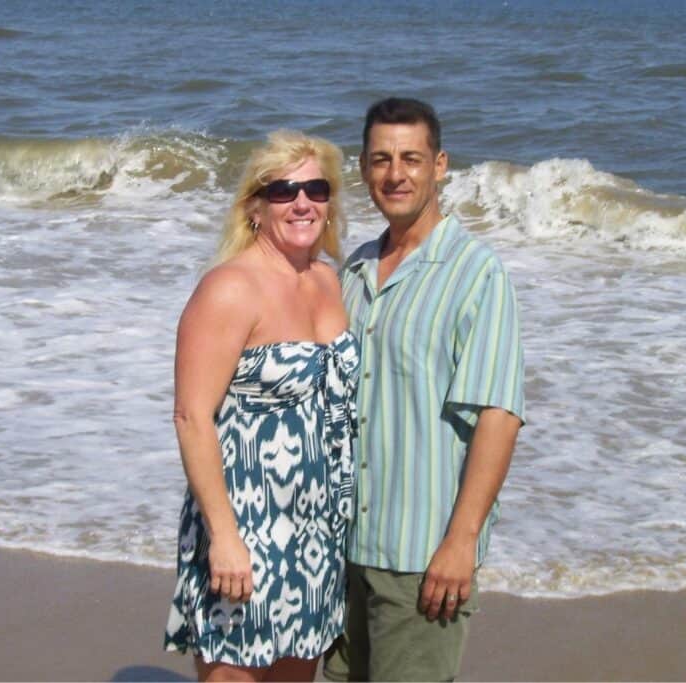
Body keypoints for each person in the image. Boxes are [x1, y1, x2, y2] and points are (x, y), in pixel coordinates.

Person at [323, 98, 526, 682]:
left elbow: (499, 414)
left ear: (439, 165)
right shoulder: (354, 270)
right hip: (341, 552)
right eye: (382, 159)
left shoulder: (475, 273)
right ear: (362, 167)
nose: (396, 173)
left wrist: (460, 544)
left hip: (419, 555)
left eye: (411, 158)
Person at [164, 130, 360, 682]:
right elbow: (191, 417)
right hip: (247, 521)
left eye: (316, 188)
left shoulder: (327, 280)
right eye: (283, 191)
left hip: (318, 526)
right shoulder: (230, 288)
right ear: (254, 206)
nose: (302, 202)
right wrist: (225, 537)